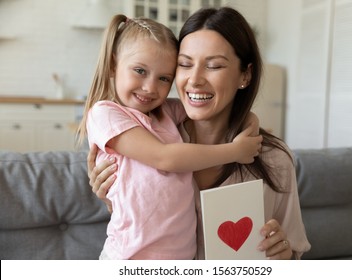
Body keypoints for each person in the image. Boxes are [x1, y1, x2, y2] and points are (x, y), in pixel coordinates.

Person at [88, 7, 311, 260]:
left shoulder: (274, 159)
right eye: (184, 65)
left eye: (214, 66)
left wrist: (284, 254)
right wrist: (108, 197)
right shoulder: (155, 135)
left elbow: (293, 250)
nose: (194, 80)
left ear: (245, 75)